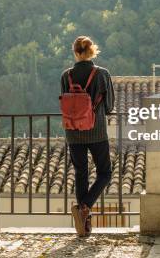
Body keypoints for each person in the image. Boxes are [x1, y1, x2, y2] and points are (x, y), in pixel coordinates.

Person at [60, 36, 115, 236]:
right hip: (96, 131)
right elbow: (109, 107)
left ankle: (83, 224)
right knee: (105, 173)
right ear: (93, 51)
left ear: (75, 52)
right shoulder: (102, 74)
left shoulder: (66, 76)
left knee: (80, 173)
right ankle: (85, 206)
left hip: (73, 132)